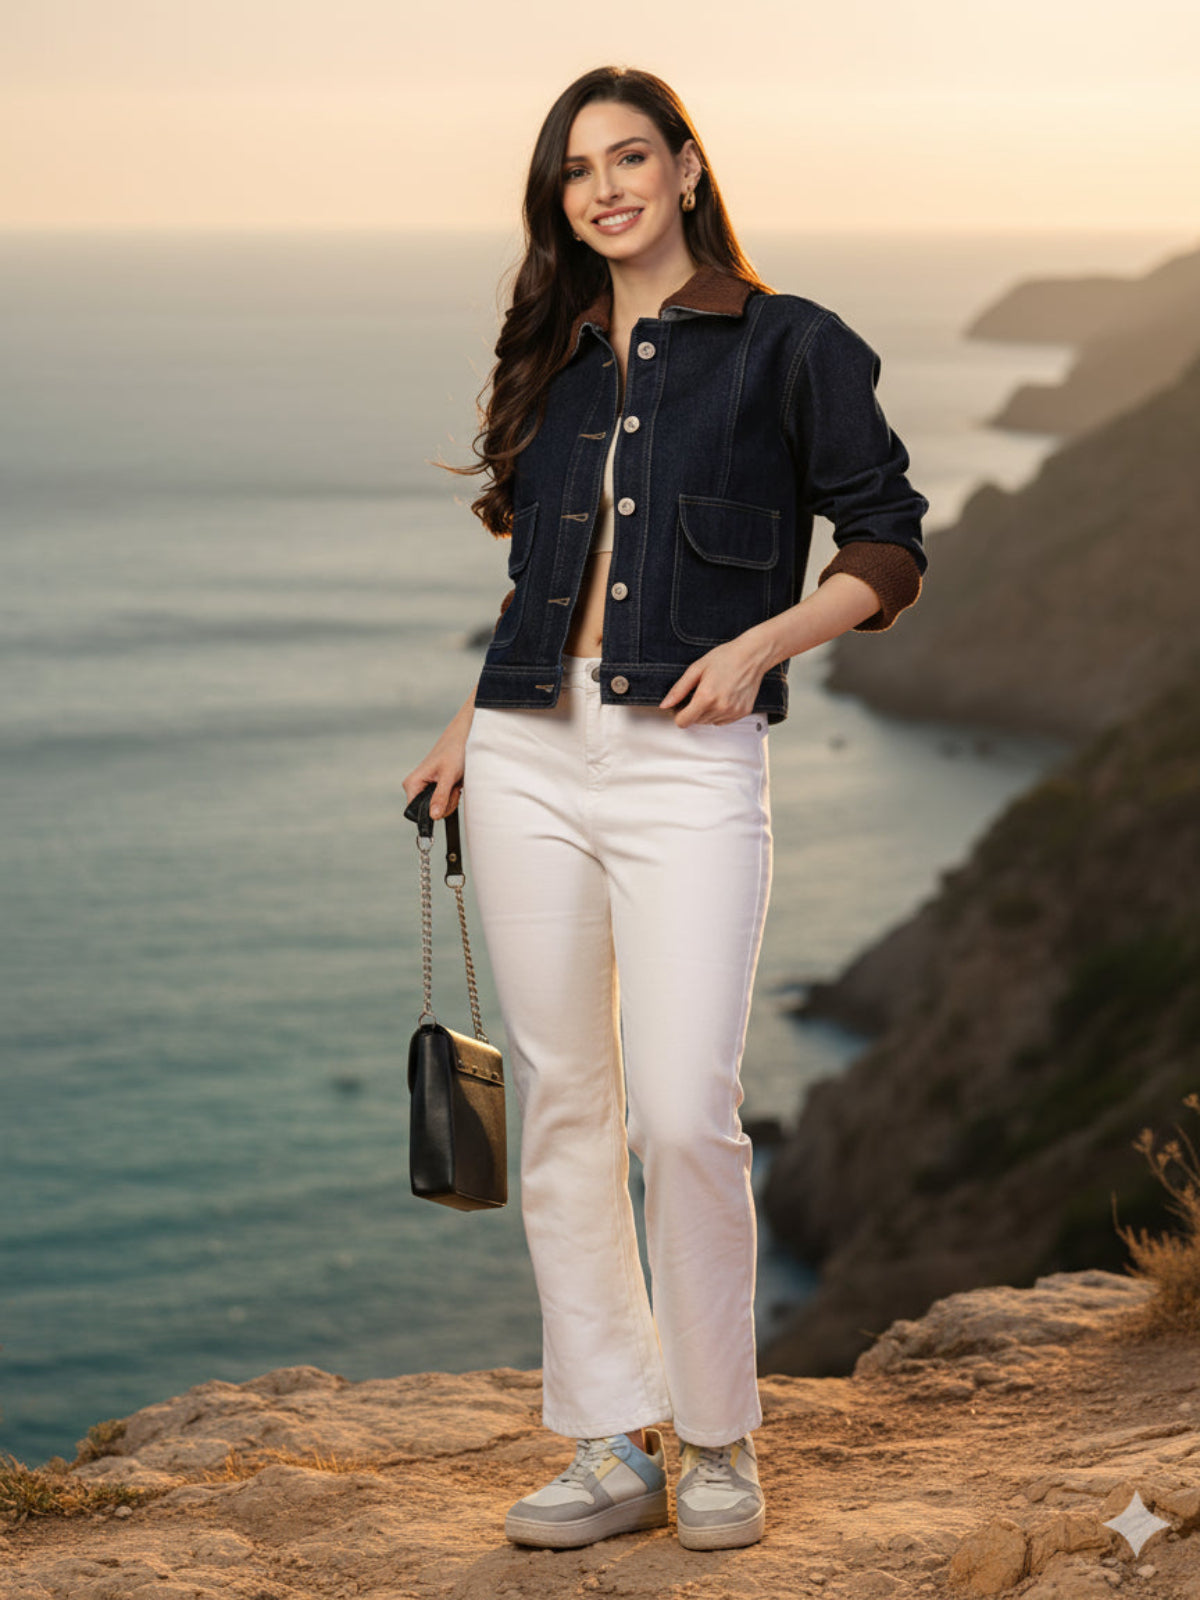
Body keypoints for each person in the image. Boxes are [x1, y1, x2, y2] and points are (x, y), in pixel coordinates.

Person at [402, 65, 929, 1553]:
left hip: (691, 765)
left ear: (688, 168)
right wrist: (468, 726)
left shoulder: (792, 346)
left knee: (687, 1114)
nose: (607, 187)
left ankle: (718, 1439)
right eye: (579, 170)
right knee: (566, 1103)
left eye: (633, 157)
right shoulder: (554, 356)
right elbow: (535, 581)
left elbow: (887, 542)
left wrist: (763, 644)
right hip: (525, 757)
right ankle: (607, 1441)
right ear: (559, 198)